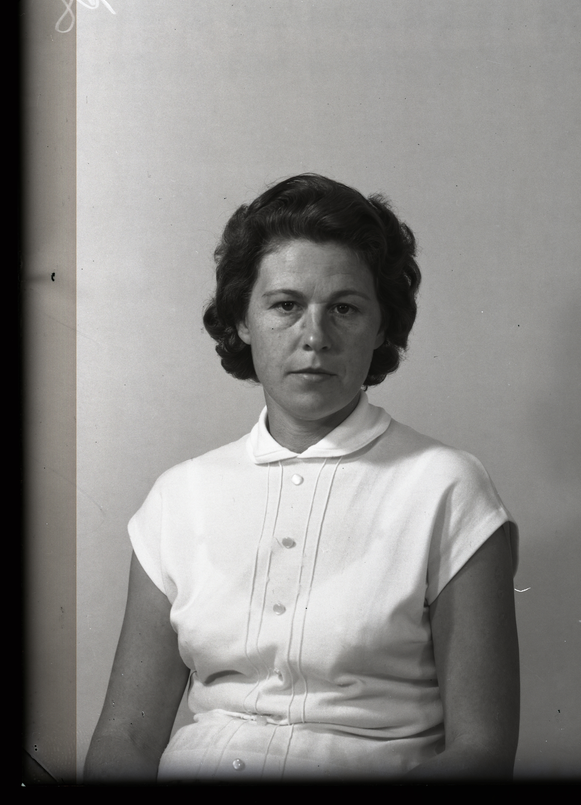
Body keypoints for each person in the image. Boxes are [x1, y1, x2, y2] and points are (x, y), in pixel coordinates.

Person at [85, 173, 520, 781]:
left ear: (382, 327)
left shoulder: (446, 486)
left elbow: (482, 751)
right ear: (243, 320)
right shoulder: (179, 496)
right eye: (286, 305)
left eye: (345, 308)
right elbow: (126, 738)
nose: (315, 337)